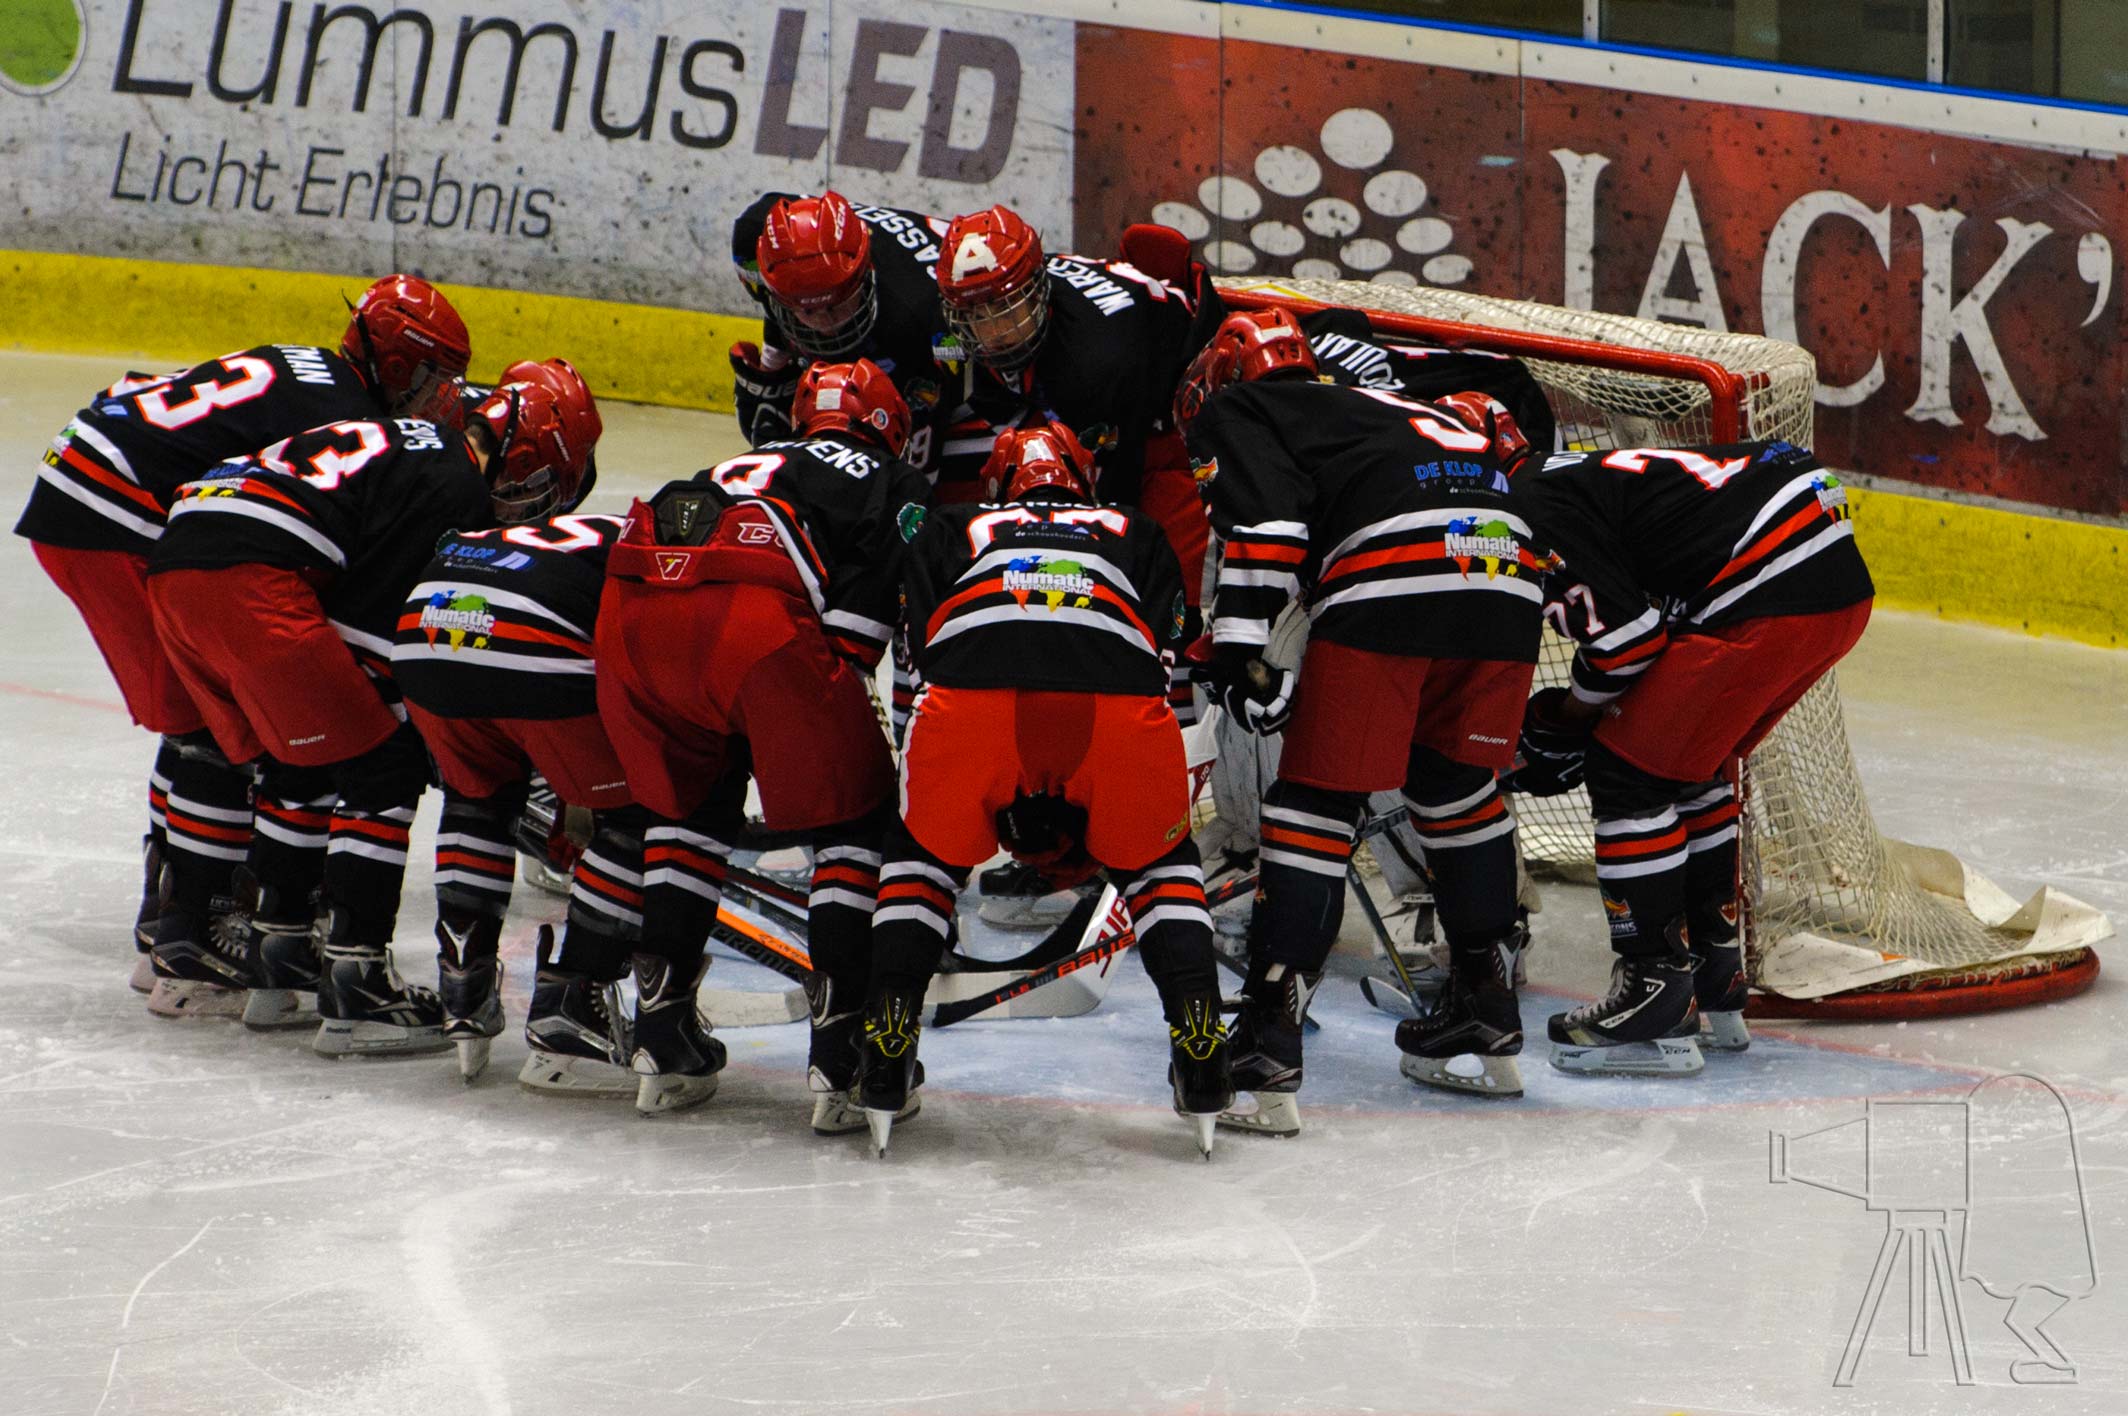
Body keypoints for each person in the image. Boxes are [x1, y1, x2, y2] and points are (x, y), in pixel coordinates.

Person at [12, 275, 471, 1001]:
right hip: (114, 509)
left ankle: (170, 914)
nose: (442, 398)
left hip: (85, 481)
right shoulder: (350, 414)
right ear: (399, 365)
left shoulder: (306, 365)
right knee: (215, 724)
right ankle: (193, 929)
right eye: (437, 377)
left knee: (205, 717)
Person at [140, 370, 600, 1056]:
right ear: (527, 456)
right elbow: (384, 640)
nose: (528, 505)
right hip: (253, 572)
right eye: (541, 485)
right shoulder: (456, 487)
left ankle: (279, 959)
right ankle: (357, 987)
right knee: (384, 766)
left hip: (179, 561)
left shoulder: (418, 449)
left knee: (302, 760)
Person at [1175, 308, 1546, 1127]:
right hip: (1511, 565)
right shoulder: (1390, 404)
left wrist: (1240, 654)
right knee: (1454, 785)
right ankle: (1487, 1002)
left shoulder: (1245, 407)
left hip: (1397, 567)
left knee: (1314, 800)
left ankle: (1269, 1036)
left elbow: (1268, 526)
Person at [856, 422, 1234, 1158]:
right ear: (1084, 480)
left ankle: (885, 1050)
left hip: (971, 699)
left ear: (998, 485)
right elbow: (1169, 666)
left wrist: (937, 788)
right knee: (1162, 871)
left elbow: (917, 660)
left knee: (920, 865)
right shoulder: (1136, 528)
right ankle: (1202, 1053)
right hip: (1117, 704)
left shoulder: (951, 524)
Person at [596, 359, 932, 1123]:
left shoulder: (737, 461)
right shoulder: (895, 481)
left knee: (690, 810)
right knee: (851, 819)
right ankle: (844, 1053)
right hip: (751, 618)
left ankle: (661, 1033)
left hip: (633, 614)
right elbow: (852, 638)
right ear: (889, 426)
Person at [1507, 440, 1873, 1075]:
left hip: (1768, 583)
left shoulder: (1523, 505)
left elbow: (1626, 646)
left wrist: (1565, 718)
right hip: (1831, 581)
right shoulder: (1568, 478)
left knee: (1628, 772)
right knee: (1688, 765)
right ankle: (1714, 976)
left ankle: (1655, 989)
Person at [389, 365, 639, 1086]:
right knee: (636, 818)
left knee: (475, 801)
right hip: (531, 640)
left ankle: (462, 989)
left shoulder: (452, 495)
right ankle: (573, 1000)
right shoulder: (623, 532)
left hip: (425, 623)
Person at [730, 190, 951, 476]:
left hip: (929, 331)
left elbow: (922, 470)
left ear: (864, 276)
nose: (825, 323)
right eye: (807, 310)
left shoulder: (921, 312)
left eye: (836, 304)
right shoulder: (754, 241)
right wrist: (773, 366)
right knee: (765, 412)